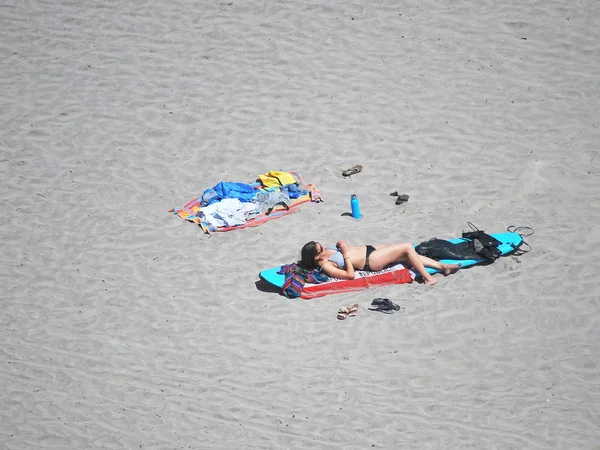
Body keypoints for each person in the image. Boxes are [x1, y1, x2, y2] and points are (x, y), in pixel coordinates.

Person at [300, 240, 461, 285]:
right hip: (371, 261)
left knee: (406, 254)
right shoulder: (326, 265)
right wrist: (347, 254)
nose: (323, 247)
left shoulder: (325, 252)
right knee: (406, 247)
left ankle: (442, 267)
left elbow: (343, 248)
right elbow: (350, 275)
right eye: (320, 249)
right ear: (316, 257)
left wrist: (342, 245)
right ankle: (428, 277)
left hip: (369, 248)